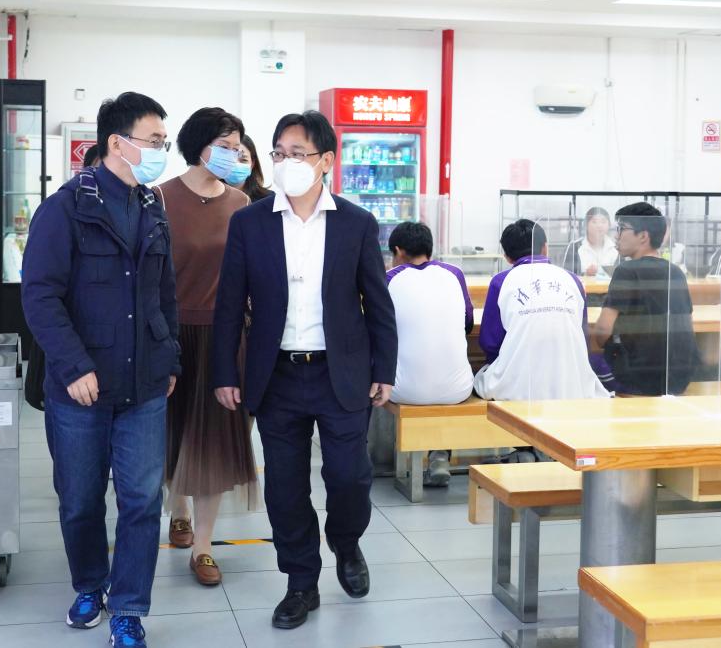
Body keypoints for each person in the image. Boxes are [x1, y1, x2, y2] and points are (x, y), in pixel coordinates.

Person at [212, 110, 397, 630]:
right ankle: (300, 582)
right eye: (279, 153)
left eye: (297, 153)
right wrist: (225, 372)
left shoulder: (356, 223)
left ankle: (347, 542)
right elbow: (230, 304)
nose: (285, 162)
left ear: (326, 161)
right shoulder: (250, 222)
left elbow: (377, 303)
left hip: (342, 373)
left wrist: (384, 368)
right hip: (277, 375)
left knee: (349, 477)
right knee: (285, 487)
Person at [21, 92, 178, 648]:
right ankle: (90, 584)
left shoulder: (153, 206)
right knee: (80, 499)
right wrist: (72, 366)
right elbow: (40, 297)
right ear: (117, 143)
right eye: (154, 141)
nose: (161, 151)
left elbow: (165, 293)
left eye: (163, 142)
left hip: (144, 384)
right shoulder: (64, 209)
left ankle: (129, 609)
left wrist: (170, 356)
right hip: (80, 388)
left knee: (142, 501)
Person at [154, 107, 258, 586]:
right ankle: (178, 510)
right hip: (172, 333)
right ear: (200, 146)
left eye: (238, 147)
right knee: (172, 432)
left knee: (213, 441)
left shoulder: (241, 202)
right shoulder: (159, 197)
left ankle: (203, 546)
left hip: (224, 335)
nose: (235, 155)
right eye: (226, 146)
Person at [475, 219, 608, 403]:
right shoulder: (572, 280)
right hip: (570, 384)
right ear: (545, 248)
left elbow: (489, 342)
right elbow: (582, 335)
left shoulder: (501, 281)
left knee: (480, 377)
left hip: (518, 387)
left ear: (507, 256)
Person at [385, 221, 474, 486]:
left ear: (398, 251)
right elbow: (468, 323)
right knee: (444, 371)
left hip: (402, 391)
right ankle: (439, 456)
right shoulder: (454, 274)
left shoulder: (389, 278)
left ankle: (380, 456)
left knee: (389, 369)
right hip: (459, 390)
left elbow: (379, 330)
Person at [593, 202, 699, 396]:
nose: (616, 235)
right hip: (677, 379)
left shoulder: (626, 271)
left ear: (643, 236)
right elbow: (686, 325)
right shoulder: (675, 272)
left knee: (589, 362)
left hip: (637, 380)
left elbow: (602, 332)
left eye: (622, 229)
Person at [562, 207, 619, 278]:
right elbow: (566, 276)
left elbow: (623, 277)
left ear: (609, 225)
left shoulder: (617, 248)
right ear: (586, 225)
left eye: (603, 221)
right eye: (594, 222)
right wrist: (585, 274)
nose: (599, 225)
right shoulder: (575, 247)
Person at [234, 134, 272, 202]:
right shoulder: (213, 198)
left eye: (244, 160)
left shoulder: (268, 199)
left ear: (252, 164)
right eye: (231, 159)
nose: (236, 164)